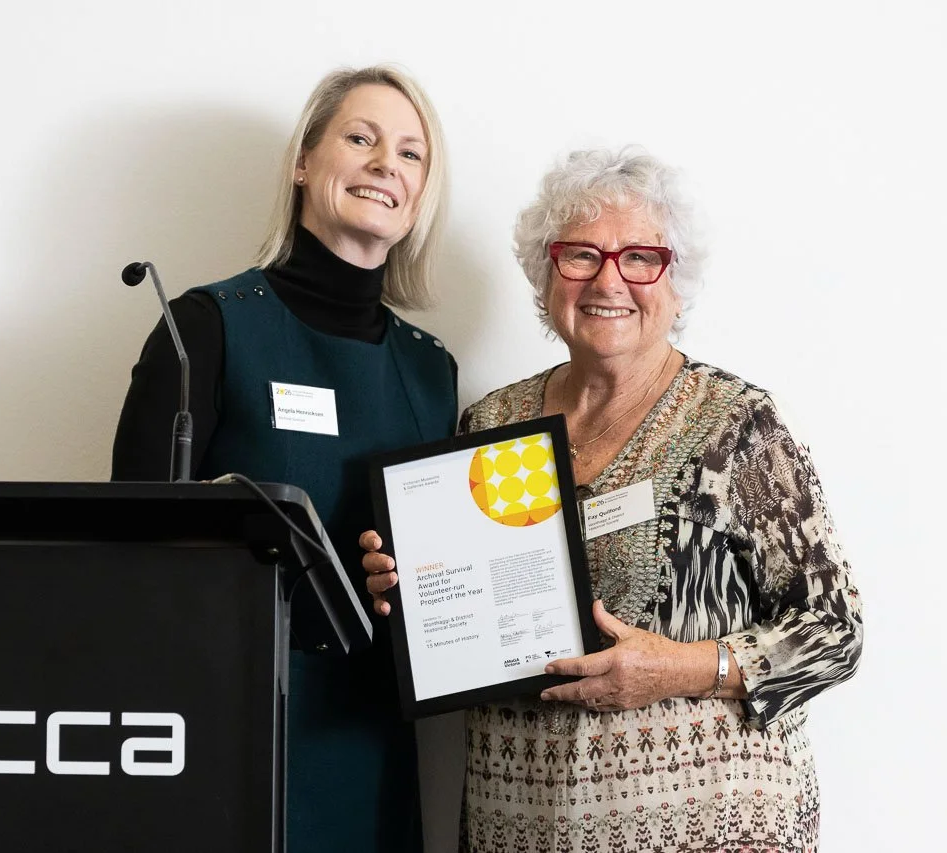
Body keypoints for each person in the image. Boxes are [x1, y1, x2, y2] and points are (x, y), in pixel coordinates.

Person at [362, 147, 863, 853]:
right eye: (579, 256)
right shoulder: (490, 423)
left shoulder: (738, 424)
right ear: (546, 275)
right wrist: (408, 585)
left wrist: (679, 667)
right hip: (524, 823)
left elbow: (833, 629)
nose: (608, 279)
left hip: (708, 827)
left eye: (639, 258)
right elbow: (467, 616)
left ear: (675, 282)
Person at [112, 66, 456, 853]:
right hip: (224, 730)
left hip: (370, 743)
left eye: (409, 154)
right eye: (360, 138)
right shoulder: (199, 329)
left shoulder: (432, 369)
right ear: (304, 159)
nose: (383, 166)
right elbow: (128, 566)